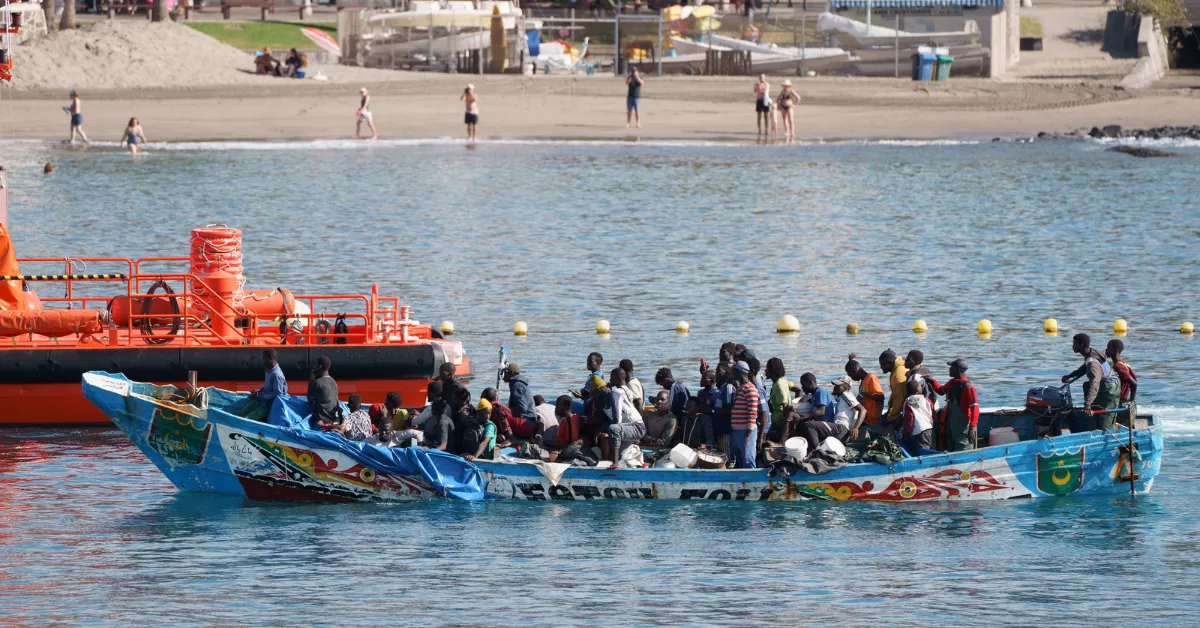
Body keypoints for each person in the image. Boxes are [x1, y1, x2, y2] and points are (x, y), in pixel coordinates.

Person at [1062, 333, 1121, 416]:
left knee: (1088, 386)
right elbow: (1085, 367)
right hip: (1113, 382)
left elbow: (1094, 385)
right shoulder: (1091, 351)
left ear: (1081, 345)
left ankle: (1091, 412)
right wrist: (1070, 376)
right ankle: (1092, 408)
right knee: (1087, 386)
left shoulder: (1092, 365)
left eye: (1075, 344)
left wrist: (1087, 404)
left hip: (1111, 388)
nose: (1072, 346)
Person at [594, 370, 645, 465]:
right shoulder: (609, 396)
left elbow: (617, 420)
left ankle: (615, 464)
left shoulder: (615, 393)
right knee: (620, 454)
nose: (609, 379)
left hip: (636, 427)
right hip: (627, 427)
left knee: (613, 428)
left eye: (611, 377)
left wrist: (600, 430)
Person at [927, 359, 979, 451]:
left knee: (963, 448)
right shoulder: (952, 383)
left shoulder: (969, 388)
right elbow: (941, 391)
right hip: (951, 423)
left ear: (959, 370)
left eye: (952, 368)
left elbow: (975, 408)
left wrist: (972, 427)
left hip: (963, 426)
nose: (949, 369)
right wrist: (932, 381)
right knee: (950, 445)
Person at [845, 354, 885, 435]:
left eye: (851, 375)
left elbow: (881, 397)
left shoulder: (871, 378)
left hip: (874, 420)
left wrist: (867, 395)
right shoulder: (862, 382)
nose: (852, 378)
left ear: (856, 370)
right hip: (866, 419)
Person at [729, 361, 759, 468]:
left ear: (739, 372)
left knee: (748, 458)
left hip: (746, 431)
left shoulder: (750, 389)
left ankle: (752, 482)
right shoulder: (740, 388)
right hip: (737, 430)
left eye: (733, 371)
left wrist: (748, 432)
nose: (731, 373)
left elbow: (753, 413)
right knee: (740, 457)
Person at [900, 379, 936, 455]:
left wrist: (906, 433)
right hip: (929, 428)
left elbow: (909, 420)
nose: (921, 387)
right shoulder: (927, 400)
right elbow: (933, 414)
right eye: (920, 386)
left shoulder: (907, 402)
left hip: (917, 431)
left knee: (922, 450)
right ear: (917, 389)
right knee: (928, 449)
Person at [306, 355, 339, 428]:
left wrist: (311, 380)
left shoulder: (317, 383)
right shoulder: (333, 381)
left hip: (321, 419)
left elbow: (310, 400)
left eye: (315, 364)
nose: (314, 367)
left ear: (320, 366)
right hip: (332, 417)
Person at [1106, 339, 1138, 412]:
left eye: (1108, 348)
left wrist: (1131, 401)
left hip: (1120, 401)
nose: (1106, 350)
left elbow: (1134, 383)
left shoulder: (1119, 366)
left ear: (1116, 350)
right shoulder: (1121, 362)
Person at [879, 348, 908, 432]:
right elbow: (894, 394)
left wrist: (891, 418)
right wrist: (888, 412)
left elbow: (899, 398)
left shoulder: (898, 375)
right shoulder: (895, 370)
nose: (881, 367)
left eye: (883, 365)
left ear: (890, 363)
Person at [765, 357, 792, 441]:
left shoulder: (779, 385)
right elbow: (798, 390)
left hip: (778, 422)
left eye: (767, 368)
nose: (765, 371)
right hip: (775, 418)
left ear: (773, 370)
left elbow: (786, 409)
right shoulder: (783, 380)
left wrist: (784, 432)